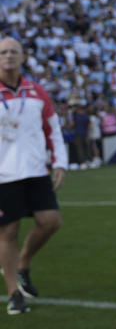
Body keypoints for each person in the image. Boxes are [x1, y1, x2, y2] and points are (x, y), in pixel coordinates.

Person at [0, 37, 67, 315]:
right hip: (3, 174)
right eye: (3, 52)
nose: (8, 56)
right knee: (8, 232)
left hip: (36, 170)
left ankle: (23, 263)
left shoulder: (37, 91)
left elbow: (53, 129)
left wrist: (60, 162)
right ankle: (14, 292)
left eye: (14, 51)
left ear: (23, 57)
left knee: (50, 222)